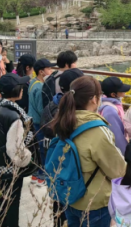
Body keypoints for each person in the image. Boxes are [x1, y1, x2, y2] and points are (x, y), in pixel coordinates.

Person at [52, 75, 126, 227]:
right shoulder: (96, 129)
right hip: (93, 204)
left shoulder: (64, 121)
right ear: (94, 99)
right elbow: (118, 170)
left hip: (69, 196)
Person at [0, 73, 39, 227]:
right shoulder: (14, 117)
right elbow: (16, 151)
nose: (23, 89)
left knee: (2, 202)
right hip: (10, 170)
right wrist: (27, 158)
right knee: (11, 205)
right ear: (16, 90)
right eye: (21, 86)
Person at [41, 68, 84, 227]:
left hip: (53, 169)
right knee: (66, 210)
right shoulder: (69, 114)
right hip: (67, 173)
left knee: (58, 208)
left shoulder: (51, 105)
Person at [28, 58, 55, 186]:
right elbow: (41, 109)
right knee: (43, 149)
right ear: (41, 72)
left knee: (37, 148)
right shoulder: (40, 87)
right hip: (39, 123)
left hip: (32, 120)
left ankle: (35, 175)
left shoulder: (33, 82)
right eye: (49, 69)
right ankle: (42, 176)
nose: (51, 71)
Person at [99, 77, 130, 154]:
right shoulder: (110, 111)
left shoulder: (110, 103)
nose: (124, 91)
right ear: (113, 94)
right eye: (121, 90)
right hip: (114, 151)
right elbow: (117, 137)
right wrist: (128, 154)